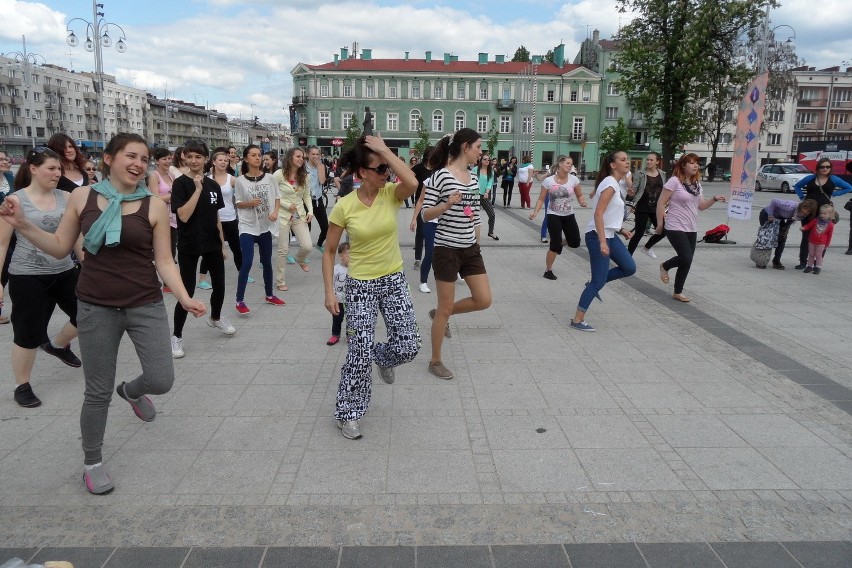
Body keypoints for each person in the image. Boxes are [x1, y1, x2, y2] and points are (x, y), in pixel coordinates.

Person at [0, 132, 206, 494]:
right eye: (131, 155)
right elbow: (61, 246)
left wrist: (184, 297)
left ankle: (131, 391)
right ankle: (92, 460)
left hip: (145, 303)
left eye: (143, 158)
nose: (138, 164)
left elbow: (163, 260)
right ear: (109, 158)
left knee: (161, 380)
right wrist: (23, 226)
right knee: (96, 392)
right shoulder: (82, 197)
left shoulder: (154, 205)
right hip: (96, 307)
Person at [322, 134, 419, 440]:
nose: (386, 173)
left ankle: (383, 357)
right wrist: (329, 292)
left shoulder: (392, 193)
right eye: (379, 169)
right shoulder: (345, 206)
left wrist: (385, 151)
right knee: (357, 353)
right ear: (363, 172)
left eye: (387, 169)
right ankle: (349, 413)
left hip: (393, 279)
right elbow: (328, 251)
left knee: (408, 345)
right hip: (360, 285)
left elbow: (413, 182)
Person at [0, 147, 82, 408]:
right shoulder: (15, 200)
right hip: (27, 275)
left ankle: (57, 345)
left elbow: (77, 236)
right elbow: (2, 244)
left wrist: (87, 265)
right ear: (33, 169)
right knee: (27, 332)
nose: (57, 173)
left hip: (64, 270)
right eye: (51, 168)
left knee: (87, 313)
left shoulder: (67, 197)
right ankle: (21, 385)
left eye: (59, 169)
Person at [422, 128, 493, 379]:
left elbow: (473, 211)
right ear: (465, 147)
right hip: (446, 249)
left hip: (470, 247)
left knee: (483, 299)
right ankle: (435, 360)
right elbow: (425, 214)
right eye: (478, 147)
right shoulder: (440, 176)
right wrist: (446, 204)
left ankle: (442, 313)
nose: (481, 152)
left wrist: (477, 235)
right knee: (445, 306)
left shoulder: (473, 178)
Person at [170, 139, 235, 360]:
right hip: (189, 245)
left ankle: (215, 318)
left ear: (206, 159)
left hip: (212, 244)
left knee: (220, 285)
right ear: (184, 158)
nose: (194, 160)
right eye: (190, 156)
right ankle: (177, 335)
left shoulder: (213, 185)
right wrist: (197, 189)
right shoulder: (180, 184)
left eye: (198, 156)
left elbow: (216, 216)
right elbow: (183, 215)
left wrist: (222, 242)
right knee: (186, 291)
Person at [570, 152, 636, 332]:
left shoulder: (613, 183)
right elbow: (598, 213)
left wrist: (620, 229)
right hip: (597, 236)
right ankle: (577, 319)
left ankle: (594, 283)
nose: (627, 162)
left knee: (629, 267)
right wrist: (602, 242)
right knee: (597, 281)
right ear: (613, 165)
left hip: (610, 234)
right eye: (622, 160)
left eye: (627, 159)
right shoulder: (609, 184)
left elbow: (608, 215)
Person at [655, 153, 727, 303]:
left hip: (691, 227)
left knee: (687, 261)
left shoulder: (696, 185)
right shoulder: (674, 182)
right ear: (683, 165)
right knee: (686, 257)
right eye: (692, 163)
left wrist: (713, 199)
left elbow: (701, 206)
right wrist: (660, 224)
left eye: (697, 163)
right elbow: (661, 203)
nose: (695, 166)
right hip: (674, 226)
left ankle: (677, 291)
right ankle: (666, 266)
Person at [233, 144, 283, 314]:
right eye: (253, 155)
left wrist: (275, 212)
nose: (257, 158)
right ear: (246, 159)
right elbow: (238, 202)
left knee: (267, 262)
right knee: (247, 262)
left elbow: (277, 197)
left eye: (259, 155)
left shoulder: (269, 178)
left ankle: (269, 295)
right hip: (247, 225)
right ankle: (239, 300)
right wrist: (249, 203)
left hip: (265, 225)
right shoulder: (240, 181)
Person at [529, 155, 587, 280]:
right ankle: (548, 270)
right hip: (553, 215)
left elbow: (580, 195)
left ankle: (560, 242)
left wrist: (582, 201)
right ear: (560, 164)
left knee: (575, 242)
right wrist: (535, 212)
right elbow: (541, 199)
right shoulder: (549, 181)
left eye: (571, 164)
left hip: (568, 215)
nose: (569, 166)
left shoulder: (574, 180)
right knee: (554, 246)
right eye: (567, 163)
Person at [793, 157, 852, 269]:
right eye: (822, 167)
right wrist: (802, 197)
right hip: (809, 212)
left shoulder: (833, 179)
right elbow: (797, 186)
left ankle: (817, 263)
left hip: (824, 212)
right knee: (806, 236)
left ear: (830, 168)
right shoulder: (810, 178)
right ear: (818, 168)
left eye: (827, 167)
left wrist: (835, 194)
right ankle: (803, 261)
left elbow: (849, 187)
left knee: (822, 238)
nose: (825, 169)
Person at [197, 148, 240, 290]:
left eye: (225, 160)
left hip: (230, 217)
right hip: (212, 219)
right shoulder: (206, 179)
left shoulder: (232, 179)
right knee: (210, 249)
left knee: (236, 248)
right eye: (220, 160)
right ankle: (202, 279)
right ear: (213, 162)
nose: (223, 162)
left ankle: (242, 273)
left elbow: (241, 195)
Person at [273, 147, 313, 291]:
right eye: (298, 156)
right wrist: (284, 204)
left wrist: (311, 211)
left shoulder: (305, 176)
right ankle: (280, 281)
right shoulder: (278, 175)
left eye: (302, 157)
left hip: (299, 215)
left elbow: (307, 195)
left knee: (307, 245)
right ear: (290, 158)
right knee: (283, 250)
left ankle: (300, 259)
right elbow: (272, 194)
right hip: (283, 216)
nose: (301, 159)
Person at [626, 152, 668, 258]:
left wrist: (666, 204)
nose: (648, 162)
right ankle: (627, 257)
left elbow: (664, 191)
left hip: (657, 208)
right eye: (648, 159)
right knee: (639, 233)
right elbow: (634, 190)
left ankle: (647, 247)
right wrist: (631, 195)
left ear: (657, 162)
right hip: (642, 207)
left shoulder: (662, 174)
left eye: (651, 160)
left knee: (663, 230)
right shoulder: (640, 173)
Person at [759, 198, 816, 270]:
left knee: (782, 239)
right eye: (805, 208)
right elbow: (774, 201)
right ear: (802, 205)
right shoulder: (791, 206)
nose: (805, 212)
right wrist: (770, 214)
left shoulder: (802, 216)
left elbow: (791, 219)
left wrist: (785, 229)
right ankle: (761, 260)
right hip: (767, 214)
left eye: (808, 211)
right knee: (767, 239)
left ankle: (776, 261)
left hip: (779, 218)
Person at [147, 148, 177, 268]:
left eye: (169, 158)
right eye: (164, 159)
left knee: (172, 247)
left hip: (173, 215)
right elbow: (155, 198)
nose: (168, 161)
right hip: (160, 215)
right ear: (157, 161)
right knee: (161, 248)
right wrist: (172, 196)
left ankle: (167, 283)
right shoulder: (154, 176)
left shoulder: (172, 175)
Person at [410, 147, 434, 273]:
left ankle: (432, 257)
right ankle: (418, 258)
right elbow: (409, 177)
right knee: (420, 232)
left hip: (435, 204)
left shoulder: (438, 169)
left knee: (434, 231)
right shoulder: (418, 168)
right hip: (421, 201)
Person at [0, 149, 15, 324]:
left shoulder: (10, 178)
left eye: (6, 158)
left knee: (6, 268)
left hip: (11, 230)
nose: (6, 162)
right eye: (1, 160)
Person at [306, 146, 329, 252]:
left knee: (325, 227)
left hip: (318, 200)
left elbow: (322, 181)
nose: (315, 156)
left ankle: (319, 244)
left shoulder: (321, 166)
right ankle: (304, 253)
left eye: (317, 154)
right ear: (307, 155)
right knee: (306, 229)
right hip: (306, 201)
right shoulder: (303, 167)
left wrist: (319, 166)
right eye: (313, 154)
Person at [326, 241, 350, 346]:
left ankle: (350, 335)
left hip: (352, 301)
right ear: (341, 255)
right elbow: (330, 283)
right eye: (349, 255)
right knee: (337, 318)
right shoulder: (336, 269)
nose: (352, 257)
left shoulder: (356, 269)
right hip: (338, 300)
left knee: (352, 319)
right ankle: (335, 334)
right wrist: (331, 295)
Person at [801, 204, 835, 274]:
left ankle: (818, 267)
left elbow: (830, 236)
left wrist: (827, 244)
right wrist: (804, 228)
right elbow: (809, 225)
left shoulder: (830, 225)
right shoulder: (815, 220)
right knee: (811, 254)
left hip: (822, 243)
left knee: (818, 255)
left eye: (824, 214)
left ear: (830, 215)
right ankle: (809, 266)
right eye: (821, 213)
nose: (822, 215)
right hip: (812, 241)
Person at [476, 154, 499, 240]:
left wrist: (487, 192)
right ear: (481, 160)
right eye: (484, 159)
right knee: (472, 214)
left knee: (492, 214)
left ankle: (491, 232)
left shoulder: (491, 172)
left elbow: (489, 183)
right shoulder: (475, 170)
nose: (487, 161)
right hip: (474, 195)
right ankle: (469, 233)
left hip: (484, 195)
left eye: (488, 160)